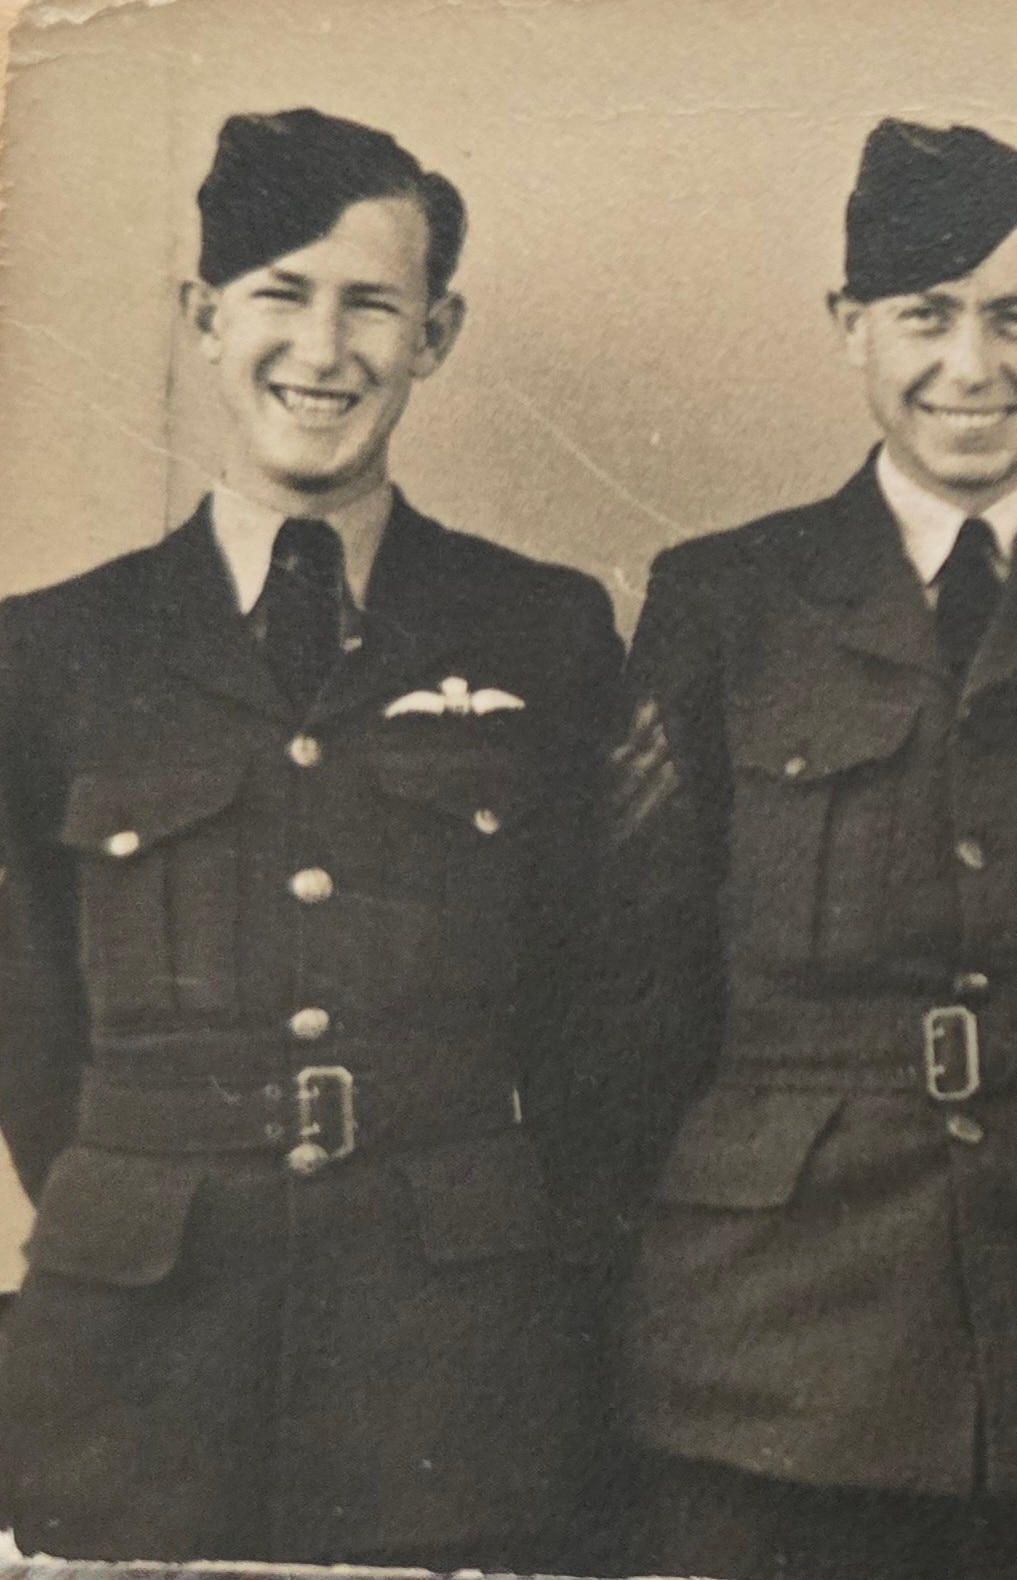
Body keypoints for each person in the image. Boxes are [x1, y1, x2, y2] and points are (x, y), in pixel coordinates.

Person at [595, 117, 1017, 1580]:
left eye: (1016, 319)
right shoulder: (725, 600)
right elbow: (637, 988)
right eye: (925, 316)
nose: (972, 367)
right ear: (849, 324)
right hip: (775, 1344)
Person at [0, 108, 620, 1568]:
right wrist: (143, 1198)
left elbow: (597, 1005)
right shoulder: (49, 653)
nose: (323, 349)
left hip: (450, 1345)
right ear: (203, 316)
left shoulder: (542, 627)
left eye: (372, 305)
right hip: (137, 1356)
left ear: (436, 334)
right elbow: (25, 1016)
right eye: (280, 293)